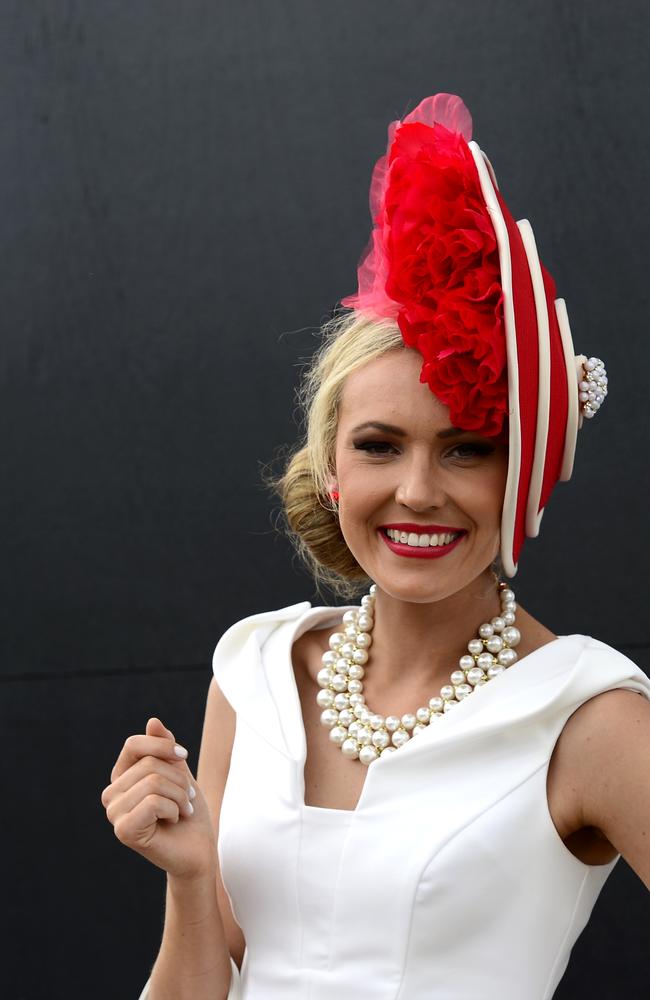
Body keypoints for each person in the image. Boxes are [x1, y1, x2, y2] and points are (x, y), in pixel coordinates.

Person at [101, 94, 650, 1000]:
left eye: (467, 448)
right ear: (331, 473)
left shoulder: (586, 716)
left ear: (521, 476)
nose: (419, 490)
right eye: (379, 445)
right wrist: (192, 876)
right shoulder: (256, 674)